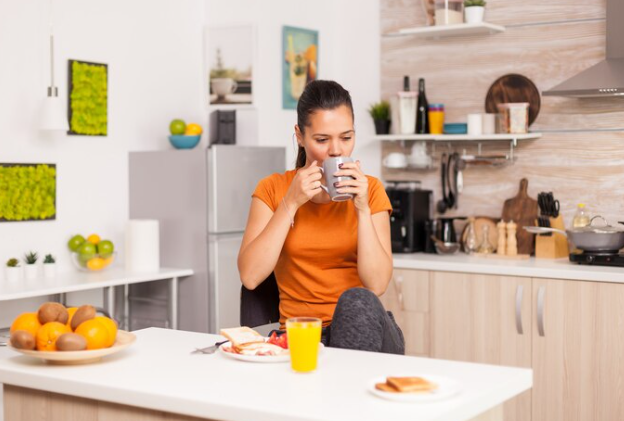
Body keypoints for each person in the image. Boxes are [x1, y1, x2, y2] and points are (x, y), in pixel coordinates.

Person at [237, 80, 404, 354]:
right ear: (300, 136)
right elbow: (251, 276)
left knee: (357, 300)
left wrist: (361, 209)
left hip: (366, 333)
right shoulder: (273, 189)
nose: (337, 151)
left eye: (346, 137)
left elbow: (377, 284)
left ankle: (343, 386)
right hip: (303, 336)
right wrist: (290, 203)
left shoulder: (371, 190)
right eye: (322, 140)